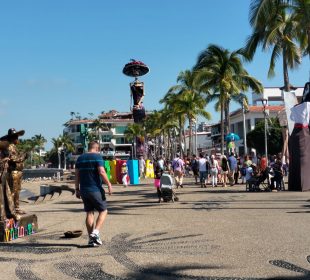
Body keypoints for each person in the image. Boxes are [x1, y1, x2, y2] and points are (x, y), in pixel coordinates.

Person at [75, 141, 113, 247]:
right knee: (103, 210)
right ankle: (96, 232)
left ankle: (91, 240)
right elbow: (101, 171)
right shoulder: (97, 157)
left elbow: (77, 175)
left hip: (84, 190)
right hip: (95, 189)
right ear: (97, 148)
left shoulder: (80, 158)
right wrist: (109, 184)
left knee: (89, 213)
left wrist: (77, 189)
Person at [0, 128, 27, 215]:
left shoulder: (13, 147)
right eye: (16, 137)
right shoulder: (10, 146)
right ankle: (11, 209)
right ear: (12, 138)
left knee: (17, 191)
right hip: (13, 172)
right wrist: (23, 157)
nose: (17, 139)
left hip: (17, 172)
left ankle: (16, 208)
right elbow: (13, 159)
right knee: (13, 191)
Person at [288, 82, 310, 191]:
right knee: (304, 160)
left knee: (297, 160)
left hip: (296, 132)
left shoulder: (296, 107)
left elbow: (292, 118)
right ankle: (304, 184)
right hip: (304, 131)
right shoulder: (306, 106)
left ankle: (297, 184)